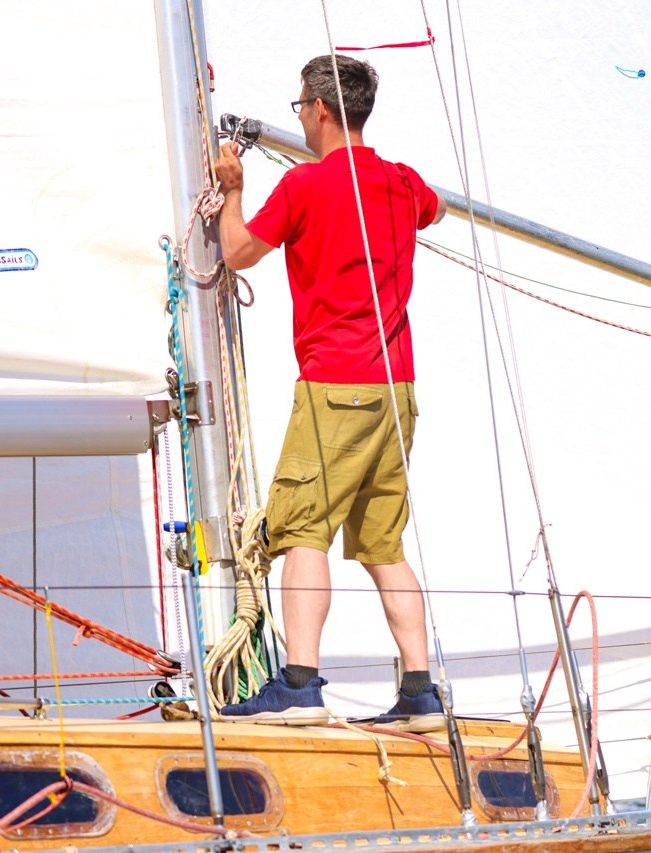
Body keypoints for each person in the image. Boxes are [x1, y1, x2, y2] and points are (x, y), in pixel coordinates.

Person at [213, 54, 447, 726]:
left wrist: (231, 187)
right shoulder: (402, 183)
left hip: (333, 387)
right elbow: (432, 210)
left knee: (301, 530)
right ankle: (420, 693)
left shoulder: (306, 188)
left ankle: (299, 684)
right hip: (394, 391)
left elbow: (238, 252)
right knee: (383, 544)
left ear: (316, 109)